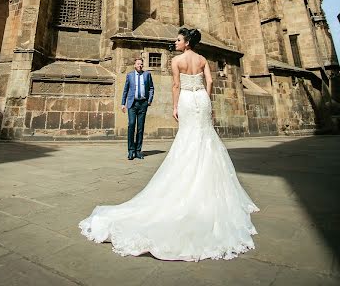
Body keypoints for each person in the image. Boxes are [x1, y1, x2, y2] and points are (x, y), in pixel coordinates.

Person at [79, 28, 259, 261]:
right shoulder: (203, 59)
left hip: (185, 98)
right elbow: (211, 80)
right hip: (202, 99)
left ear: (186, 43)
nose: (175, 42)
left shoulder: (177, 61)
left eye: (178, 39)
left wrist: (175, 107)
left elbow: (175, 86)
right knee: (205, 139)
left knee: (187, 139)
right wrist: (206, 96)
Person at [121, 57, 154, 160]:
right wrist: (123, 103)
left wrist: (149, 100)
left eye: (141, 64)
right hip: (132, 104)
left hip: (143, 104)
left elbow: (151, 88)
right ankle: (131, 151)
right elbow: (125, 90)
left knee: (140, 128)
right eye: (138, 64)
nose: (140, 65)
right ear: (134, 65)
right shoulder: (130, 75)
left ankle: (138, 151)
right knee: (131, 125)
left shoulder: (147, 75)